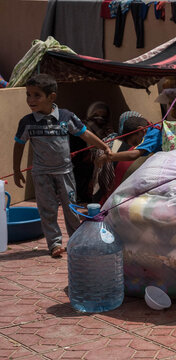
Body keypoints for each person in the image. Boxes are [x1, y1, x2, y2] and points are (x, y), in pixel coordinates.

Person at [11, 74, 111, 258]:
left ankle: (75, 240)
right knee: (47, 208)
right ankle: (55, 244)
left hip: (65, 172)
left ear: (52, 97)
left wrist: (104, 146)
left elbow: (85, 134)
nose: (30, 100)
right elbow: (19, 145)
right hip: (41, 174)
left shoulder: (66, 117)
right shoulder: (27, 122)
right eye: (28, 95)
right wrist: (17, 170)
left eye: (36, 95)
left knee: (71, 208)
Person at [96, 115, 162, 203]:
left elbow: (134, 155)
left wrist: (109, 157)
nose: (137, 144)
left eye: (135, 142)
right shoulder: (154, 130)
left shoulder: (154, 134)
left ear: (141, 130)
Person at [71, 101, 114, 203]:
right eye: (96, 115)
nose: (99, 118)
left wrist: (109, 135)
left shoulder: (106, 129)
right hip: (81, 167)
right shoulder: (81, 128)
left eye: (103, 116)